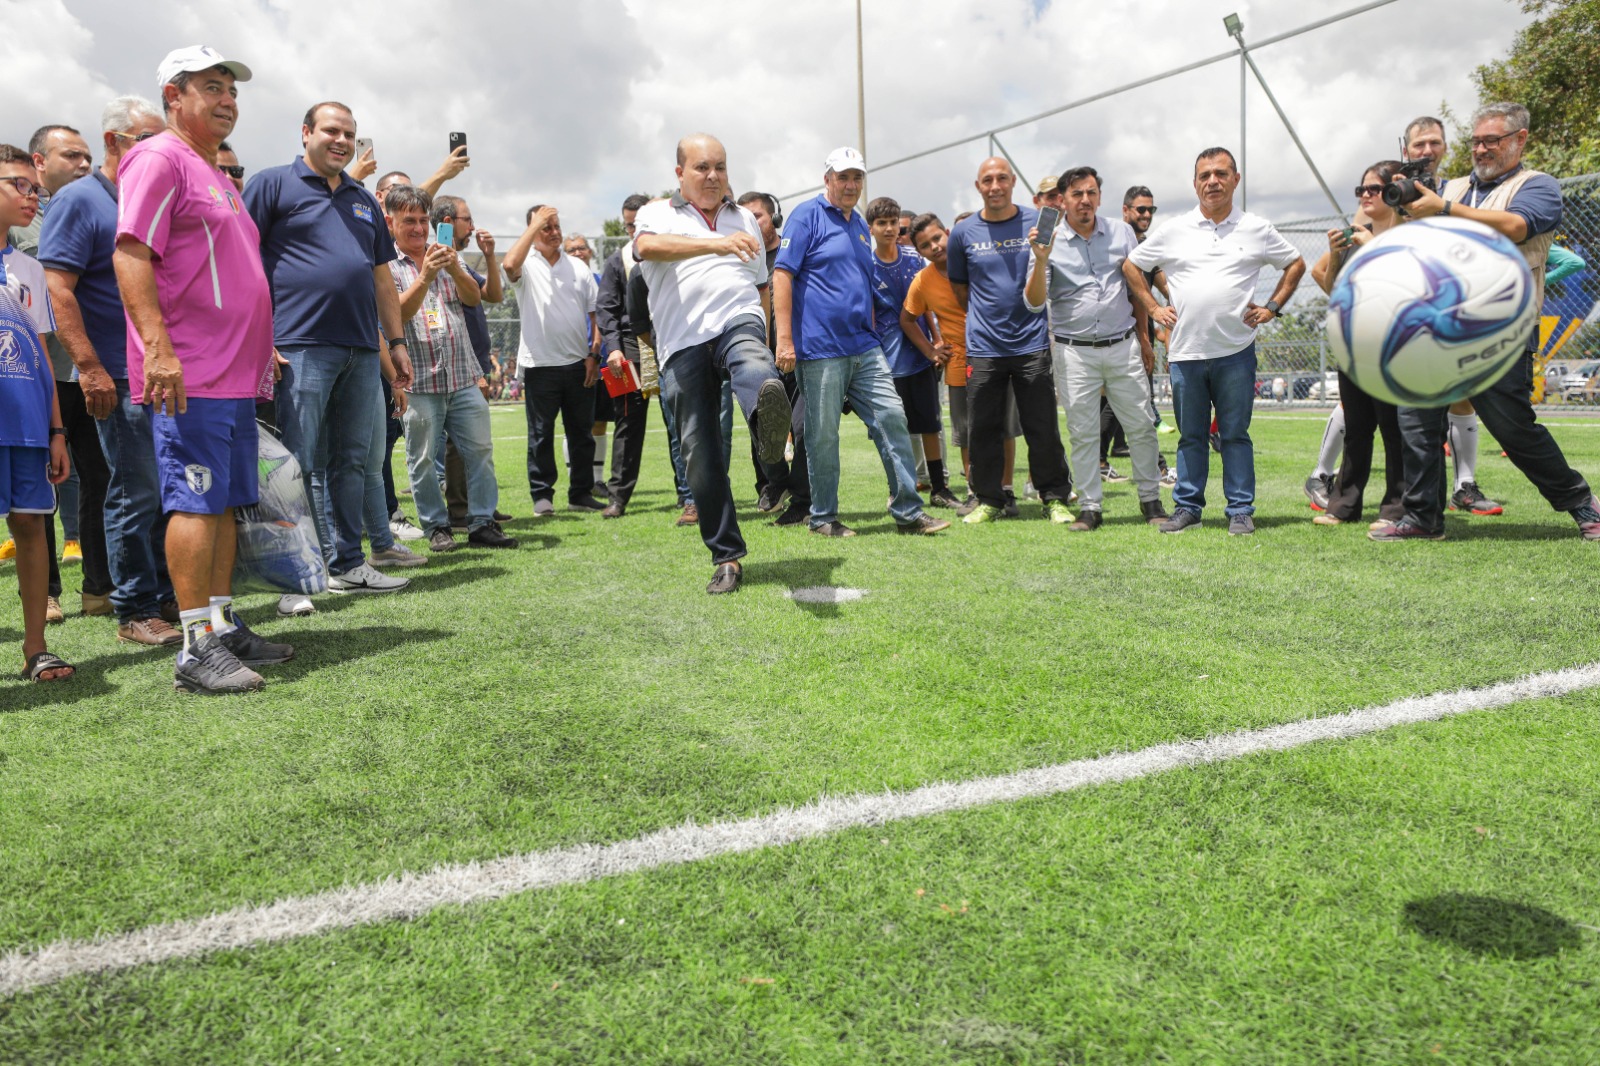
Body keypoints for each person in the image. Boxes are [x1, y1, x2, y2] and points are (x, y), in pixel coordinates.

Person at [115, 45, 294, 694]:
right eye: (212, 87)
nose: (227, 99)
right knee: (195, 498)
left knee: (221, 501)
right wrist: (158, 348)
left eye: (232, 90)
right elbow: (132, 253)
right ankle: (194, 647)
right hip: (188, 372)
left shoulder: (211, 170)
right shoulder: (159, 157)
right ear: (174, 97)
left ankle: (219, 624)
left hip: (232, 374)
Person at [1376, 102, 1599, 542]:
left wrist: (1443, 210)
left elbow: (1516, 226)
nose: (1481, 148)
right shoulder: (1449, 187)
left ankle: (1581, 503)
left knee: (1511, 428)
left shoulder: (1538, 186)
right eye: (1476, 140)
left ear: (1520, 140)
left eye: (1491, 140)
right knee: (1417, 420)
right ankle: (1423, 518)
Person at [243, 100, 414, 600]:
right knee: (296, 463)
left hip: (361, 348)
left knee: (354, 460)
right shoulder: (271, 184)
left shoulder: (363, 199)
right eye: (331, 131)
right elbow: (244, 263)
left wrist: (397, 343)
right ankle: (293, 577)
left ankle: (349, 563)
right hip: (297, 346)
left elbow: (382, 277)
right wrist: (260, 337)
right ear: (305, 133)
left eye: (350, 134)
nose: (341, 141)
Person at [39, 95, 180, 646]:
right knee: (134, 491)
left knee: (167, 492)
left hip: (162, 370)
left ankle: (166, 595)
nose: (155, 151)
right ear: (113, 142)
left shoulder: (151, 197)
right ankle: (136, 610)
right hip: (117, 375)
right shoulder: (80, 199)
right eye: (145, 140)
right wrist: (90, 368)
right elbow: (58, 289)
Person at [633, 132, 795, 592]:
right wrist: (716, 246)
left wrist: (762, 327)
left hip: (736, 319)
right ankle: (727, 556)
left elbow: (761, 284)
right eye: (702, 167)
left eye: (720, 167)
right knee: (699, 453)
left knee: (753, 362)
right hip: (682, 341)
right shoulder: (655, 213)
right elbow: (647, 249)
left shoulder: (742, 214)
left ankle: (768, 427)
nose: (713, 176)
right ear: (680, 173)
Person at [1124, 147, 1306, 536]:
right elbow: (1132, 265)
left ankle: (1240, 509)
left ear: (1235, 179)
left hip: (1236, 352)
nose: (1213, 181)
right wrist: (1154, 309)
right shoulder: (1174, 229)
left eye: (1221, 173)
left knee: (1234, 435)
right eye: (1205, 175)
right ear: (1194, 183)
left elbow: (1296, 263)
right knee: (1190, 437)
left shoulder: (1256, 228)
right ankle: (1187, 507)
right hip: (1186, 353)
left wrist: (1273, 307)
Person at [773, 148, 948, 538]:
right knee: (822, 436)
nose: (851, 184)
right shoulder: (807, 215)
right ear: (828, 179)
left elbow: (862, 286)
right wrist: (784, 340)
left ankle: (908, 512)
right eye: (843, 176)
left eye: (857, 177)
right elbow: (782, 275)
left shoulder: (857, 226)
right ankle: (823, 517)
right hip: (819, 349)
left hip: (865, 348)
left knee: (892, 418)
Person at [1024, 166, 1168, 530]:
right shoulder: (1047, 241)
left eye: (1090, 193)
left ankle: (1151, 501)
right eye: (1076, 194)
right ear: (1063, 200)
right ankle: (1090, 507)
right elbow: (1034, 303)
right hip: (1074, 351)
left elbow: (1136, 286)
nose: (1085, 200)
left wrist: (1145, 337)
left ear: (1099, 197)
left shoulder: (1122, 233)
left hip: (1122, 345)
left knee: (1141, 425)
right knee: (1084, 431)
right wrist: (1040, 260)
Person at [385, 183, 515, 553]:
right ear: (391, 223)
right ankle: (437, 527)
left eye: (423, 220)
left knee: (480, 452)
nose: (418, 228)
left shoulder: (445, 255)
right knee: (423, 459)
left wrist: (455, 268)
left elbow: (474, 298)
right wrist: (425, 276)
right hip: (419, 382)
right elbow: (396, 313)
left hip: (461, 375)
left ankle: (482, 522)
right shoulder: (388, 267)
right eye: (409, 221)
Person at [945, 157, 1074, 525]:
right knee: (983, 428)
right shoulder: (963, 233)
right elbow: (960, 289)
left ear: (1014, 181)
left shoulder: (1038, 223)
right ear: (978, 186)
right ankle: (990, 499)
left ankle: (1054, 498)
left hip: (1032, 344)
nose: (995, 186)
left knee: (1042, 426)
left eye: (1002, 178)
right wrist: (986, 317)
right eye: (988, 180)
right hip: (984, 348)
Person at [0, 142, 74, 681]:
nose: (33, 196)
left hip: (27, 424)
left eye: (36, 188)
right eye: (19, 185)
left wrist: (56, 430)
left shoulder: (30, 268)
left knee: (30, 523)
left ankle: (35, 648)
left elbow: (43, 354)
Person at [1306, 162, 1409, 530]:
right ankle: (1344, 503)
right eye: (1361, 190)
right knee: (1357, 428)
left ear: (1395, 192)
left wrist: (1374, 247)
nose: (1365, 195)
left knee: (1395, 431)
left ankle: (1396, 507)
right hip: (1355, 343)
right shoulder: (1357, 232)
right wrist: (1336, 255)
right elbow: (1334, 288)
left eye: (1374, 189)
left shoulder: (1406, 232)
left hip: (1392, 345)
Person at [903, 213, 1023, 506]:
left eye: (936, 238)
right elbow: (907, 319)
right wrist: (931, 350)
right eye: (924, 245)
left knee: (1004, 427)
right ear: (918, 251)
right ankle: (974, 491)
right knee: (966, 433)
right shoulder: (922, 281)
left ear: (948, 233)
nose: (934, 247)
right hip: (959, 364)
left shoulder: (978, 261)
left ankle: (1006, 489)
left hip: (998, 354)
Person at [505, 203, 607, 515]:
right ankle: (542, 496)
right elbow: (509, 265)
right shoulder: (526, 265)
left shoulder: (579, 268)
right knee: (540, 435)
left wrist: (593, 354)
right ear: (533, 230)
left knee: (582, 434)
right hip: (539, 365)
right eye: (546, 227)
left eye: (555, 226)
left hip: (579, 364)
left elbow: (596, 317)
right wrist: (534, 225)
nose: (554, 232)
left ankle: (580, 494)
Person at [867, 195, 956, 508]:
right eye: (882, 223)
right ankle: (901, 488)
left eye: (893, 222)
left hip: (921, 357)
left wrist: (936, 341)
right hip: (886, 362)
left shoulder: (915, 260)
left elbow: (928, 306)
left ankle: (940, 489)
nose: (889, 228)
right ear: (871, 229)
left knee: (930, 424)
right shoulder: (867, 265)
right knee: (893, 430)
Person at [736, 189, 810, 524]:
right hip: (758, 358)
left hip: (800, 355)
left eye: (758, 216)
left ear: (774, 218)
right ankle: (774, 483)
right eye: (745, 218)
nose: (752, 223)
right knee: (762, 426)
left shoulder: (795, 251)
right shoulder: (739, 260)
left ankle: (802, 500)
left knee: (803, 428)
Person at [594, 193, 656, 519]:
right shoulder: (618, 260)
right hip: (629, 347)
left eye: (639, 224)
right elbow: (606, 308)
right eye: (629, 225)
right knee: (626, 421)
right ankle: (618, 497)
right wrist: (614, 347)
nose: (634, 230)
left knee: (683, 421)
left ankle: (690, 497)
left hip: (671, 340)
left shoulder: (673, 251)